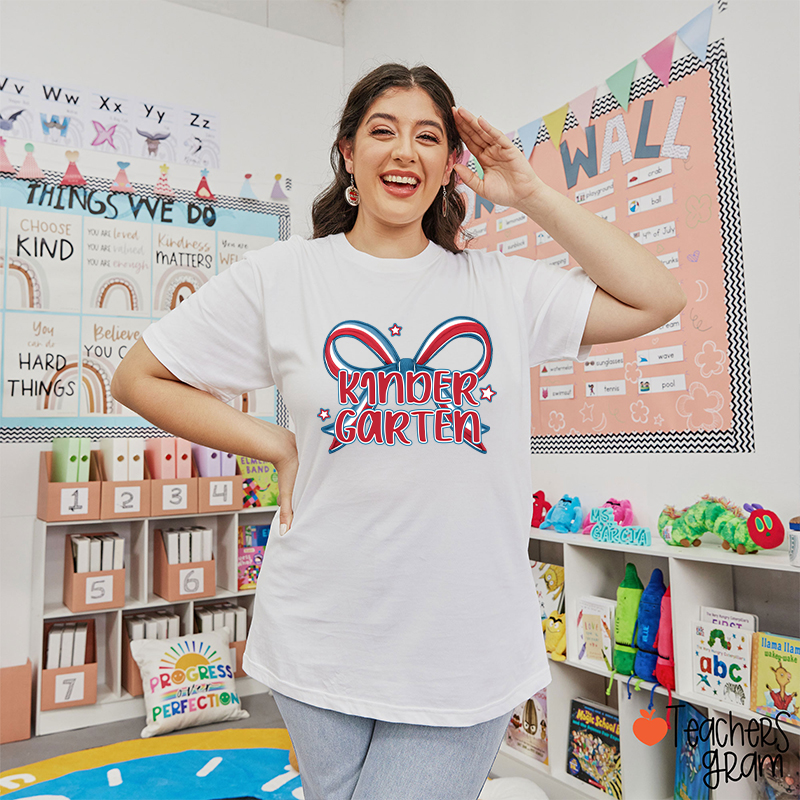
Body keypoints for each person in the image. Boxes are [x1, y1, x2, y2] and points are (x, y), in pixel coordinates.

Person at [112, 63, 686, 800]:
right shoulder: (283, 277)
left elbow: (657, 298)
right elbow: (139, 377)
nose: (404, 151)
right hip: (318, 629)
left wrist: (534, 194)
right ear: (348, 152)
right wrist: (276, 443)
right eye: (382, 131)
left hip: (462, 641)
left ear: (453, 165)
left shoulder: (501, 287)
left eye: (428, 136)